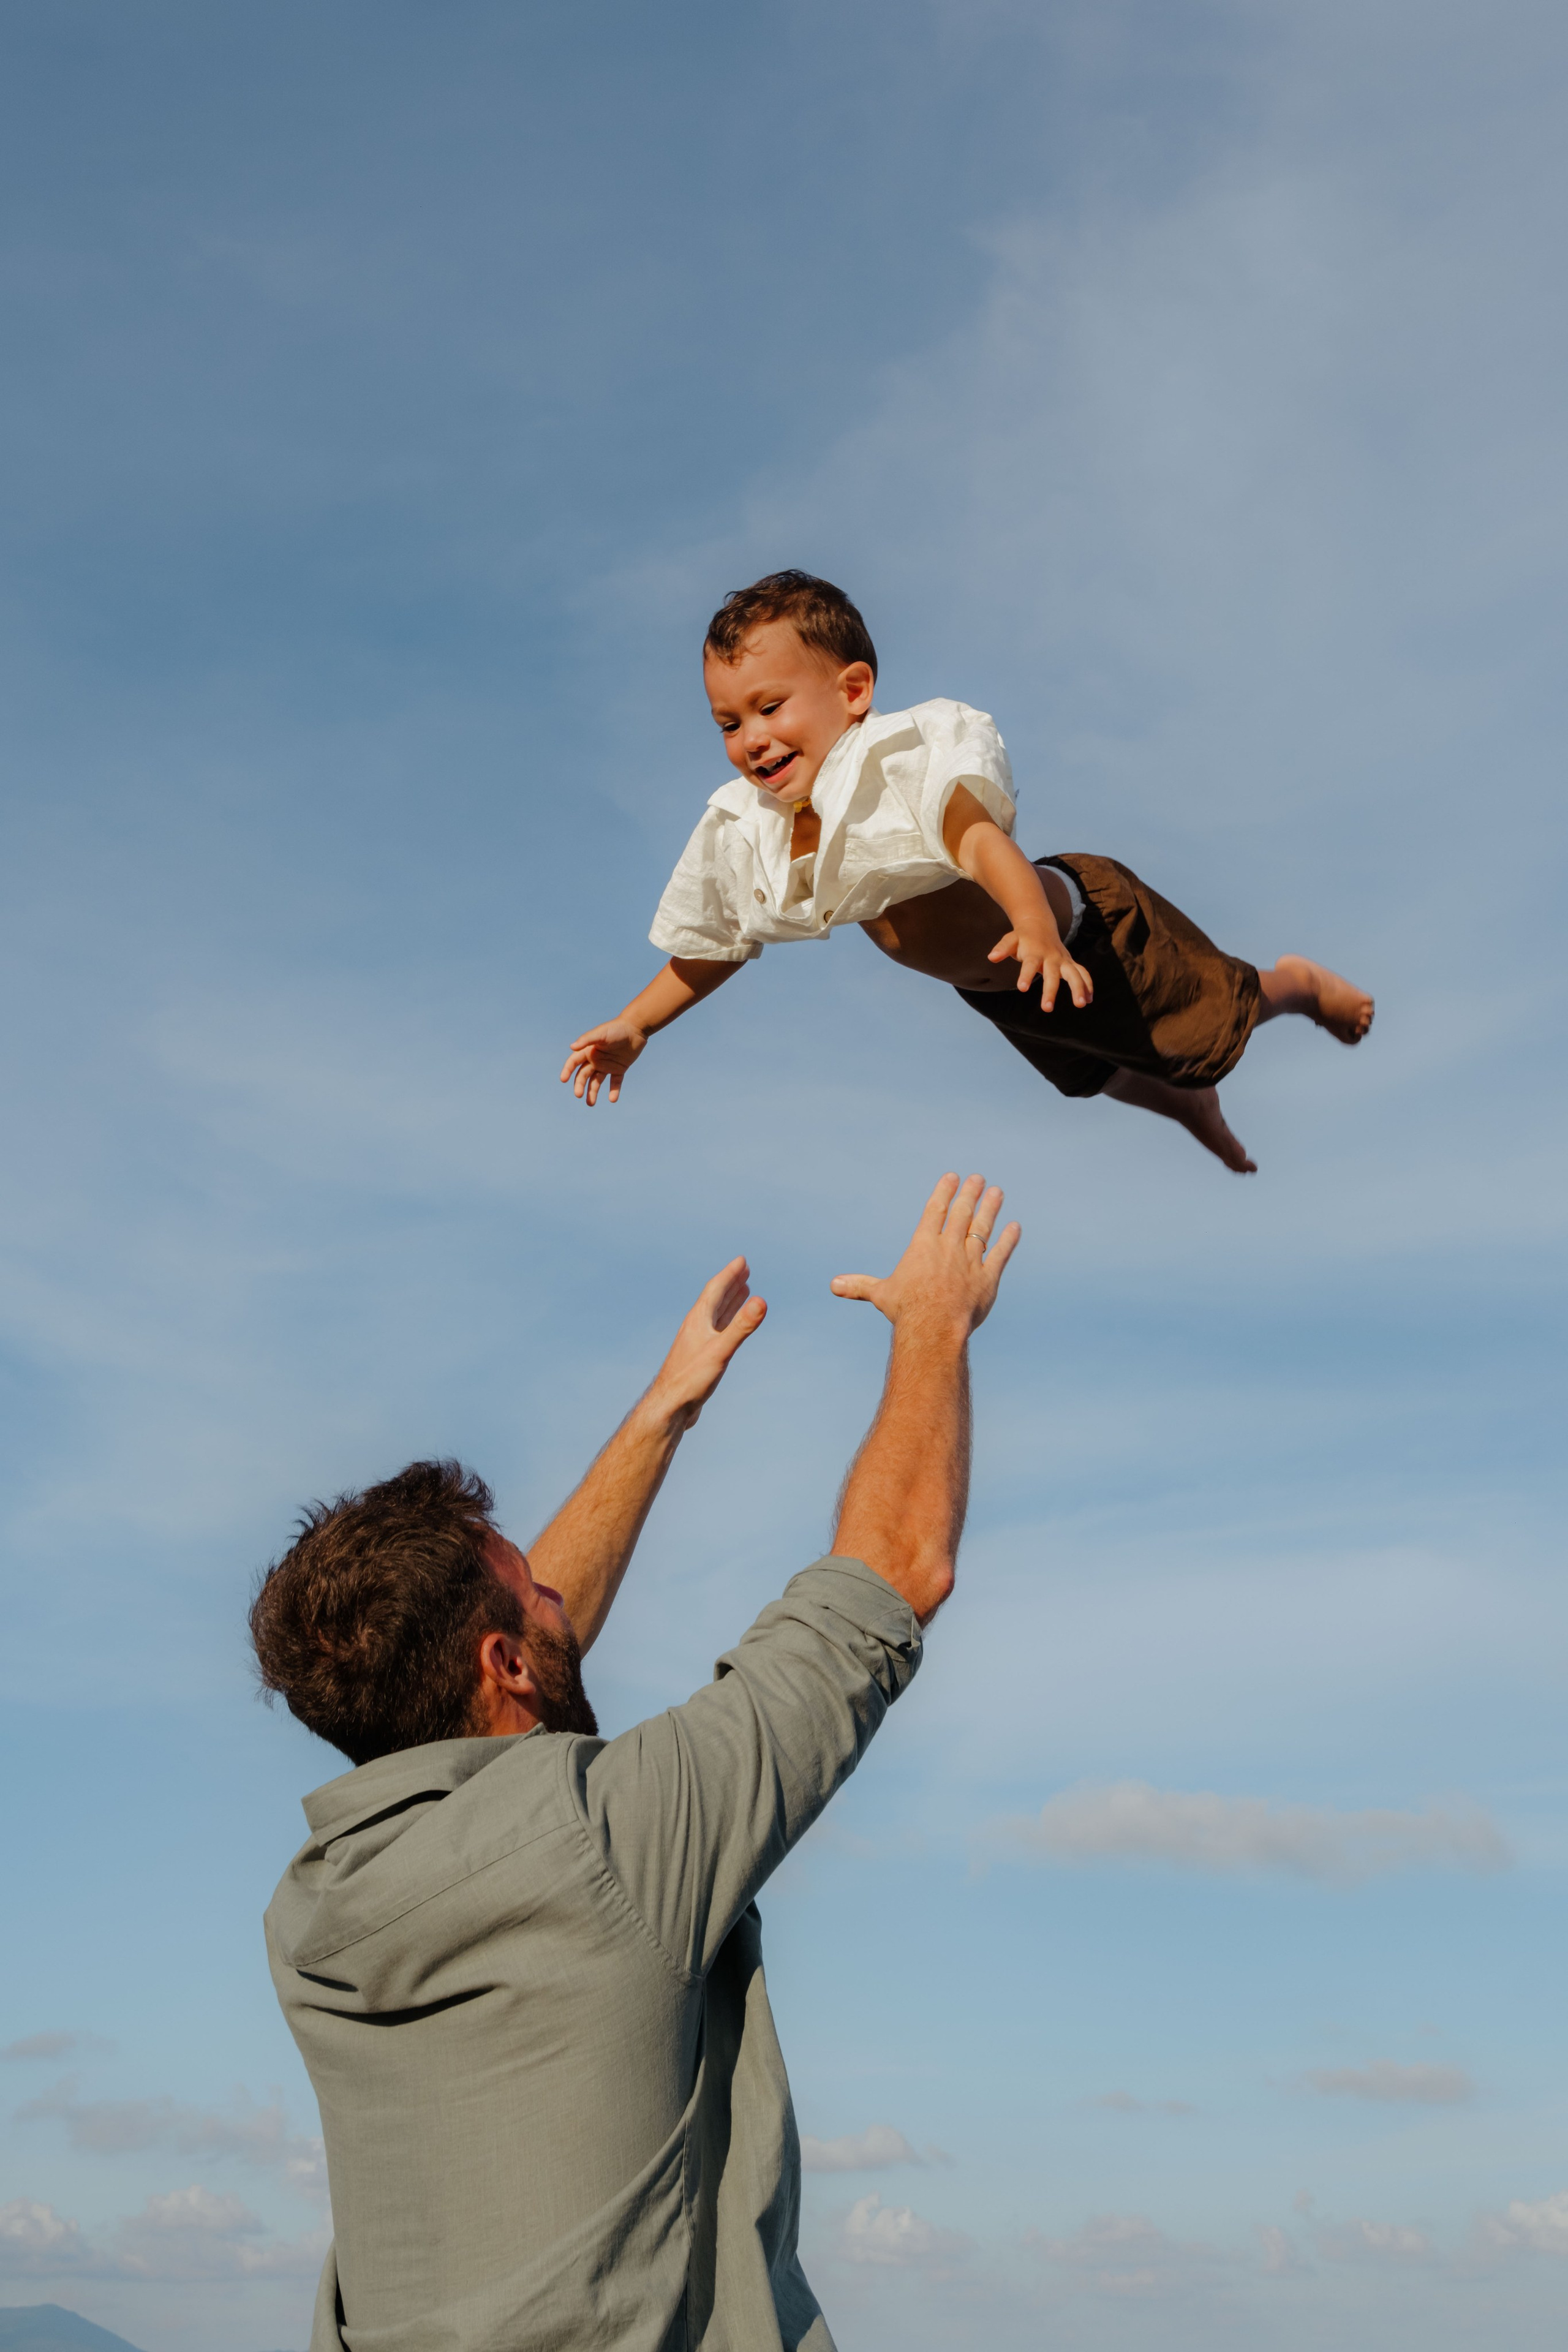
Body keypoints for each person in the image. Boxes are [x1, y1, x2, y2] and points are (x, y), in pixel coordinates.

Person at [252, 1172, 1019, 2352]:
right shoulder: (607, 1846)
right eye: (533, 1589)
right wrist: (937, 1321)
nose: (558, 1591)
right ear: (504, 1660)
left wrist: (666, 1412)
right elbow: (895, 1569)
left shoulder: (313, 1915)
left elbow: (501, 1685)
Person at [561, 570, 1374, 1173]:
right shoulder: (759, 828)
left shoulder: (899, 764)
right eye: (729, 723)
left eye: (771, 708)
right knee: (1091, 1072)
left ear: (853, 691)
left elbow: (983, 843)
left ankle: (1293, 986)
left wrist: (1034, 926)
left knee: (1209, 1024)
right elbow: (720, 941)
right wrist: (638, 1024)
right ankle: (1185, 1102)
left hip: (1082, 933)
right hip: (998, 984)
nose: (752, 740)